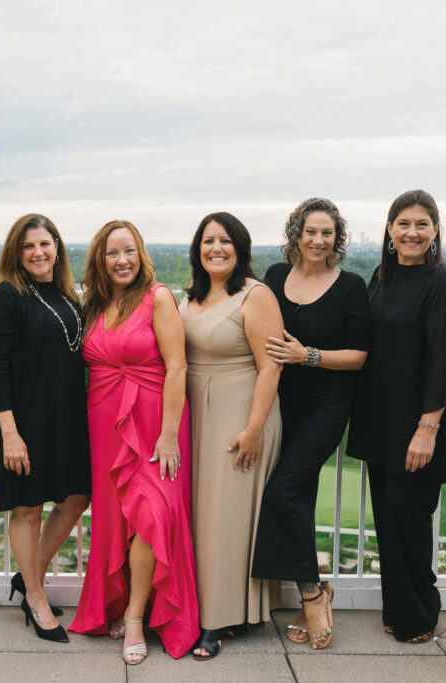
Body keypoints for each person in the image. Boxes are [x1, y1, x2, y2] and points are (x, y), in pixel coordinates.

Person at [348, 189, 446, 644]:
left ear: (436, 230)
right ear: (389, 229)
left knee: (410, 520)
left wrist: (427, 428)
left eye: (422, 224)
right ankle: (398, 610)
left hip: (421, 425)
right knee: (388, 518)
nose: (412, 232)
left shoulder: (445, 285)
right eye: (403, 223)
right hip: (382, 420)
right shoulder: (379, 279)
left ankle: (420, 615)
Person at [69, 220, 199, 662]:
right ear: (100, 261)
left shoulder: (158, 297)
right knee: (116, 519)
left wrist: (168, 436)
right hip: (104, 421)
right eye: (112, 253)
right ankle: (117, 604)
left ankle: (136, 617)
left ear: (140, 253)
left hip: (153, 423)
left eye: (128, 251)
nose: (121, 260)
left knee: (151, 514)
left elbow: (177, 366)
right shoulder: (95, 303)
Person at [251, 198, 370, 650]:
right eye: (311, 232)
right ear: (295, 235)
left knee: (282, 490)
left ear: (337, 239)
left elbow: (360, 356)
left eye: (328, 233)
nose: (319, 241)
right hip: (281, 402)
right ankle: (313, 591)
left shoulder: (351, 286)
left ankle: (312, 593)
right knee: (292, 495)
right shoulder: (276, 277)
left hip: (327, 405)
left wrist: (309, 356)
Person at [179, 211, 284, 661]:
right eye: (207, 241)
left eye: (225, 241)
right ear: (196, 249)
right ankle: (202, 607)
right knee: (199, 515)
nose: (215, 249)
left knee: (226, 517)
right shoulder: (187, 298)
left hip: (241, 415)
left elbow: (271, 365)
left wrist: (255, 429)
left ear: (240, 248)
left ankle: (217, 620)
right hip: (194, 416)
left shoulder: (255, 295)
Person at [0, 213, 91, 643]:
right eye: (28, 246)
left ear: (57, 248)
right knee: (27, 509)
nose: (38, 252)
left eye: (45, 244)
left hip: (65, 417)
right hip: (23, 420)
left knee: (77, 496)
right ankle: (36, 596)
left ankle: (28, 577)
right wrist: (9, 433)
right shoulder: (7, 296)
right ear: (17, 252)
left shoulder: (67, 295)